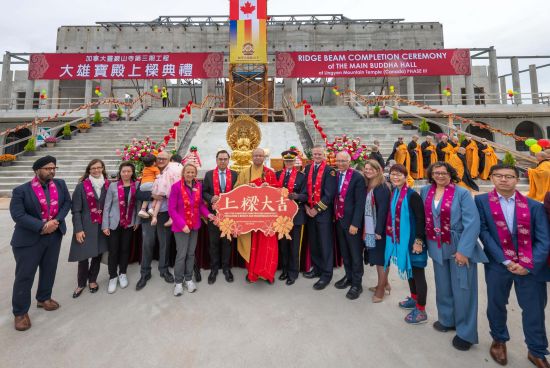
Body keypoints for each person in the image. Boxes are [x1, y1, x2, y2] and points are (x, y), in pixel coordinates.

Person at [475, 164, 550, 367]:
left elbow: (544, 239)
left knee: (534, 309)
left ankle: (536, 350)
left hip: (530, 267)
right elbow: (483, 232)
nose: (503, 179)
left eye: (509, 176)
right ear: (491, 178)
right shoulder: (481, 201)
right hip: (499, 265)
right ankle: (499, 341)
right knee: (497, 304)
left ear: (517, 179)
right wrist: (505, 259)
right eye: (498, 176)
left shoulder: (534, 206)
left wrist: (529, 264)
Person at [421, 161, 488, 351]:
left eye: (444, 172)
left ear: (451, 174)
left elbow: (472, 223)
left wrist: (464, 251)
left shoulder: (462, 193)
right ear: (431, 174)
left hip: (458, 244)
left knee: (463, 288)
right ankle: (447, 319)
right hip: (436, 245)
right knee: (443, 286)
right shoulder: (426, 191)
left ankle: (465, 332)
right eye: (436, 173)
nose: (440, 176)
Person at [10, 155, 71, 331]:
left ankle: (43, 298)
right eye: (47, 168)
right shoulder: (21, 190)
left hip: (54, 236)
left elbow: (66, 203)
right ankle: (20, 312)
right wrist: (42, 226)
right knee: (25, 276)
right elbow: (18, 215)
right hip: (29, 240)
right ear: (37, 170)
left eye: (54, 168)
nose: (52, 171)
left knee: (49, 269)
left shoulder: (60, 184)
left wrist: (56, 221)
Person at [385, 164, 428, 324]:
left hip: (413, 241)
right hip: (402, 241)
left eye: (399, 175)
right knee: (410, 272)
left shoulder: (412, 196)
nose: (395, 177)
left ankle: (422, 310)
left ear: (405, 176)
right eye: (393, 175)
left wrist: (418, 241)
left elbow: (420, 219)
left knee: (418, 274)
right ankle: (414, 299)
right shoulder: (394, 192)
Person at [169, 163, 214, 296]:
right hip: (181, 227)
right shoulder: (176, 187)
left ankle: (188, 278)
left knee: (190, 254)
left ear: (195, 174)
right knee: (181, 254)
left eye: (192, 172)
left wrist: (208, 214)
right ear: (183, 173)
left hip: (194, 225)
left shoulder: (198, 186)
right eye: (187, 172)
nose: (190, 174)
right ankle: (178, 282)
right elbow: (172, 209)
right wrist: (182, 225)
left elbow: (200, 205)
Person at [235, 148, 280, 283]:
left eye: (261, 155)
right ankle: (252, 273)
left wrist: (269, 187)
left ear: (264, 157)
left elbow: (279, 192)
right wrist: (246, 187)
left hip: (267, 217)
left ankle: (267, 274)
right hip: (250, 216)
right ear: (252, 157)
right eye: (256, 155)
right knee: (251, 245)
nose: (258, 158)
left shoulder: (270, 173)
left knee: (267, 247)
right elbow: (236, 190)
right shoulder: (244, 173)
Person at [68, 159, 110, 298]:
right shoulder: (81, 186)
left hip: (102, 227)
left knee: (97, 255)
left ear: (103, 168)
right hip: (86, 227)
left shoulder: (108, 185)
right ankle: (81, 283)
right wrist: (78, 229)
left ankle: (92, 280)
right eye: (93, 168)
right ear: (89, 170)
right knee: (83, 257)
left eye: (99, 168)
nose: (96, 170)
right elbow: (76, 210)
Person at [134, 151, 175, 290]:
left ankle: (164, 270)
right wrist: (152, 196)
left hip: (164, 213)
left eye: (164, 158)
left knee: (165, 242)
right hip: (148, 214)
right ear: (155, 160)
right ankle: (145, 273)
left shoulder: (172, 174)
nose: (161, 160)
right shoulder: (148, 172)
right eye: (159, 158)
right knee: (147, 242)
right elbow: (138, 193)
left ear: (169, 159)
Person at [333, 152, 366, 300]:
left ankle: (357, 284)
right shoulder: (336, 175)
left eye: (343, 161)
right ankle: (349, 276)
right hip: (339, 221)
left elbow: (360, 203)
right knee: (345, 252)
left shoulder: (357, 177)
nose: (340, 163)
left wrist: (355, 223)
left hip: (352, 223)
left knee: (355, 254)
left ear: (349, 161)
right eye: (338, 160)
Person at [303, 146, 337, 290]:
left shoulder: (330, 171)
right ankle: (317, 269)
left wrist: (316, 209)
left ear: (324, 155)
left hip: (322, 213)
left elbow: (329, 195)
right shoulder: (308, 168)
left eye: (319, 154)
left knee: (325, 244)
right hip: (309, 211)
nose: (317, 155)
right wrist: (306, 207)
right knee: (315, 242)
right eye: (315, 153)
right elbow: (305, 189)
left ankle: (326, 274)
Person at [102, 162, 139, 294]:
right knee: (113, 251)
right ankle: (112, 276)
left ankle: (122, 273)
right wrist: (105, 225)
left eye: (129, 171)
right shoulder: (113, 186)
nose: (126, 174)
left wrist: (137, 220)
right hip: (114, 223)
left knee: (125, 249)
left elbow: (137, 206)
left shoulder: (136, 186)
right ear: (120, 172)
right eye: (124, 171)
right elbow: (106, 206)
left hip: (129, 223)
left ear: (132, 172)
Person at [202, 150, 238, 284]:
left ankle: (226, 268)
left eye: (225, 159)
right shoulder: (209, 174)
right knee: (214, 242)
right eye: (220, 159)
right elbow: (203, 191)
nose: (222, 161)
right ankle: (214, 269)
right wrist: (211, 198)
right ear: (216, 160)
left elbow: (239, 192)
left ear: (229, 160)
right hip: (214, 215)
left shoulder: (235, 174)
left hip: (229, 215)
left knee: (227, 243)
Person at [275, 150, 308, 285]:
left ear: (295, 161)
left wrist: (297, 196)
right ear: (284, 161)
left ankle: (293, 273)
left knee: (294, 246)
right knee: (283, 245)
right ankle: (284, 270)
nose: (289, 163)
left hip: (296, 215)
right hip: (281, 217)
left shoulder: (301, 176)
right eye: (286, 161)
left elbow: (306, 195)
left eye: (291, 161)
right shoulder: (277, 175)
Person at [362, 160, 392, 303]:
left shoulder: (382, 187)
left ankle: (381, 290)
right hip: (371, 228)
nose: (367, 171)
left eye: (370, 169)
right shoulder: (369, 185)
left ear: (378, 170)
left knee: (382, 260)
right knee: (377, 258)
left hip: (380, 230)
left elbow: (383, 211)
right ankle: (384, 283)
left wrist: (378, 230)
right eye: (366, 169)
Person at [150, 158, 183, 226]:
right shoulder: (181, 167)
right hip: (173, 186)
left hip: (164, 185)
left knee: (159, 200)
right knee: (170, 202)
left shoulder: (169, 166)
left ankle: (153, 214)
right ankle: (171, 218)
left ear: (171, 160)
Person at [137, 154, 161, 219]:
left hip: (142, 185)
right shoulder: (155, 168)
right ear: (154, 163)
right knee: (158, 193)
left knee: (147, 197)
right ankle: (152, 208)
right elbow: (159, 177)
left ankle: (143, 209)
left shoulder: (145, 168)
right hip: (151, 183)